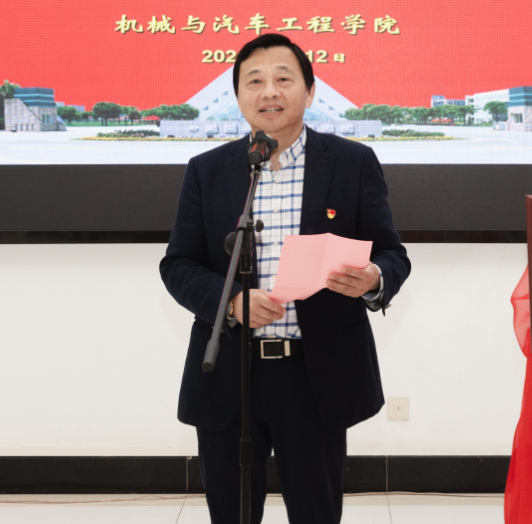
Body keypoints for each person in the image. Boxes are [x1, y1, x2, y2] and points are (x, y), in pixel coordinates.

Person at [160, 33, 410, 524]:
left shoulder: (352, 163)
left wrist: (374, 277)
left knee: (316, 511)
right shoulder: (208, 170)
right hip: (231, 372)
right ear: (238, 96)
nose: (269, 91)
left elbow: (392, 254)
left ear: (310, 91)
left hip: (314, 375)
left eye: (283, 79)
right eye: (254, 81)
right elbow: (179, 265)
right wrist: (233, 301)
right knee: (231, 513)